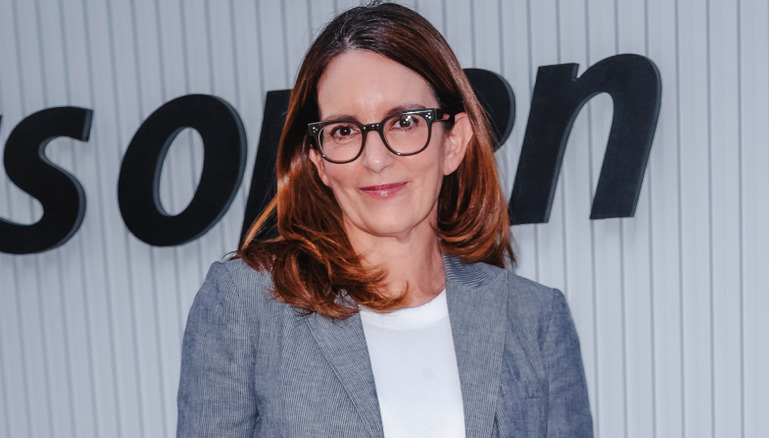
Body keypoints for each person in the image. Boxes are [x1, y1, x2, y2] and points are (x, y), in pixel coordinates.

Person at [177, 2, 592, 437]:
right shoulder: (246, 303)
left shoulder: (535, 318)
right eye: (343, 130)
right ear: (319, 161)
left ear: (453, 143)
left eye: (405, 122)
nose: (375, 159)